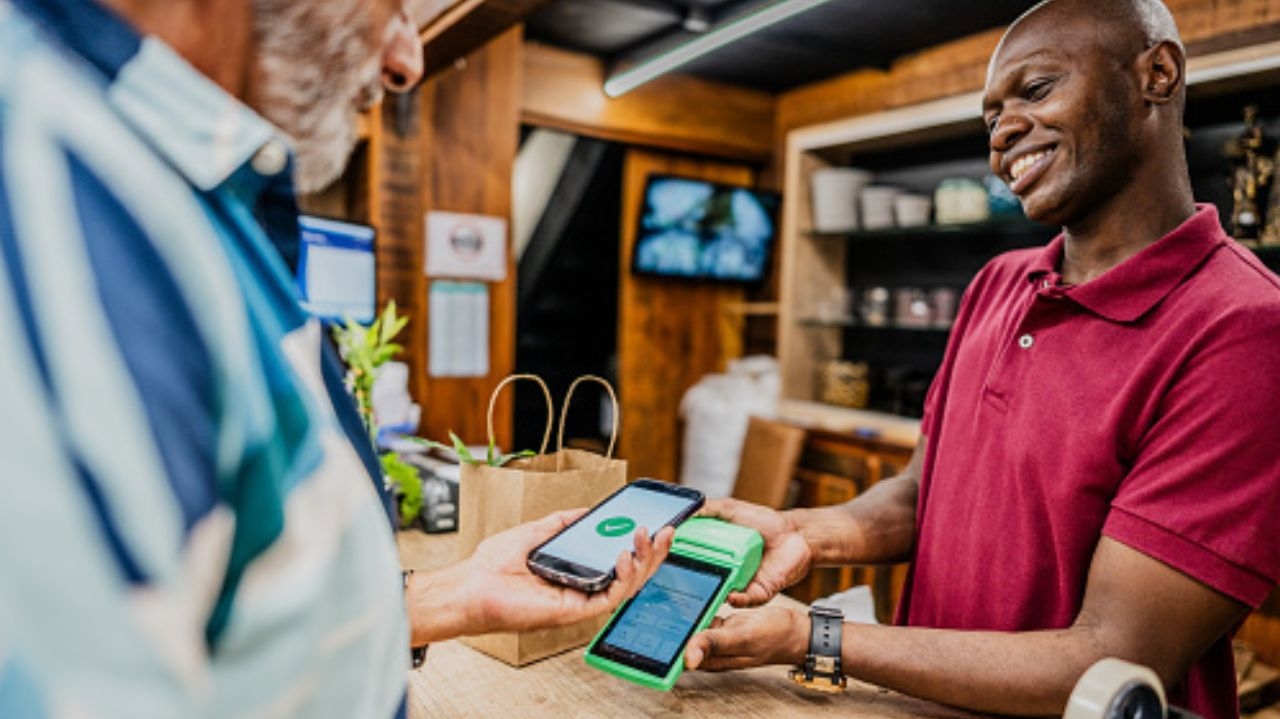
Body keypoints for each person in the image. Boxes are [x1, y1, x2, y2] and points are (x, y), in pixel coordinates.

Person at [0, 0, 671, 717]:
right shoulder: (52, 194)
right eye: (394, 6)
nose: (407, 62)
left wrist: (454, 592)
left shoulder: (177, 193)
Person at [685, 2, 1280, 718]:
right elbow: (920, 491)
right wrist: (806, 533)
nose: (1002, 135)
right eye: (990, 116)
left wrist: (815, 635)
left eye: (1034, 91)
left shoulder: (1245, 328)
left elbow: (1113, 656)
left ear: (1157, 73)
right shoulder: (999, 282)